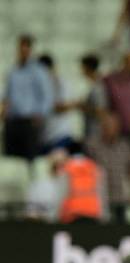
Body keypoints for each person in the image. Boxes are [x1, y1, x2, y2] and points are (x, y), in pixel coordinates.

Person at [1, 35, 54, 163]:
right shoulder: (13, 71)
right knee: (11, 159)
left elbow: (47, 96)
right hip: (13, 120)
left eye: (26, 48)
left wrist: (40, 115)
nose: (23, 51)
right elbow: (7, 95)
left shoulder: (38, 71)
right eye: (21, 48)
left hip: (29, 122)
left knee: (30, 159)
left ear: (31, 50)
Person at [86, 112, 130, 224]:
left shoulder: (125, 146)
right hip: (100, 198)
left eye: (112, 126)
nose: (109, 129)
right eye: (106, 126)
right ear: (101, 127)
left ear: (118, 128)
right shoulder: (92, 146)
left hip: (120, 196)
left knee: (121, 229)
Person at [58, 141, 107, 224]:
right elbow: (101, 193)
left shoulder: (66, 168)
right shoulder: (94, 168)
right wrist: (104, 216)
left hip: (72, 214)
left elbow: (62, 194)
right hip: (93, 213)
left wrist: (58, 216)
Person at [39, 54, 78, 153]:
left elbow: (65, 105)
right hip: (45, 137)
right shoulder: (40, 86)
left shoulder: (62, 83)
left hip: (61, 135)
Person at [80, 54, 109, 141]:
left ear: (87, 68)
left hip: (95, 133)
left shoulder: (98, 87)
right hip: (92, 131)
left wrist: (83, 107)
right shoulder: (95, 85)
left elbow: (101, 112)